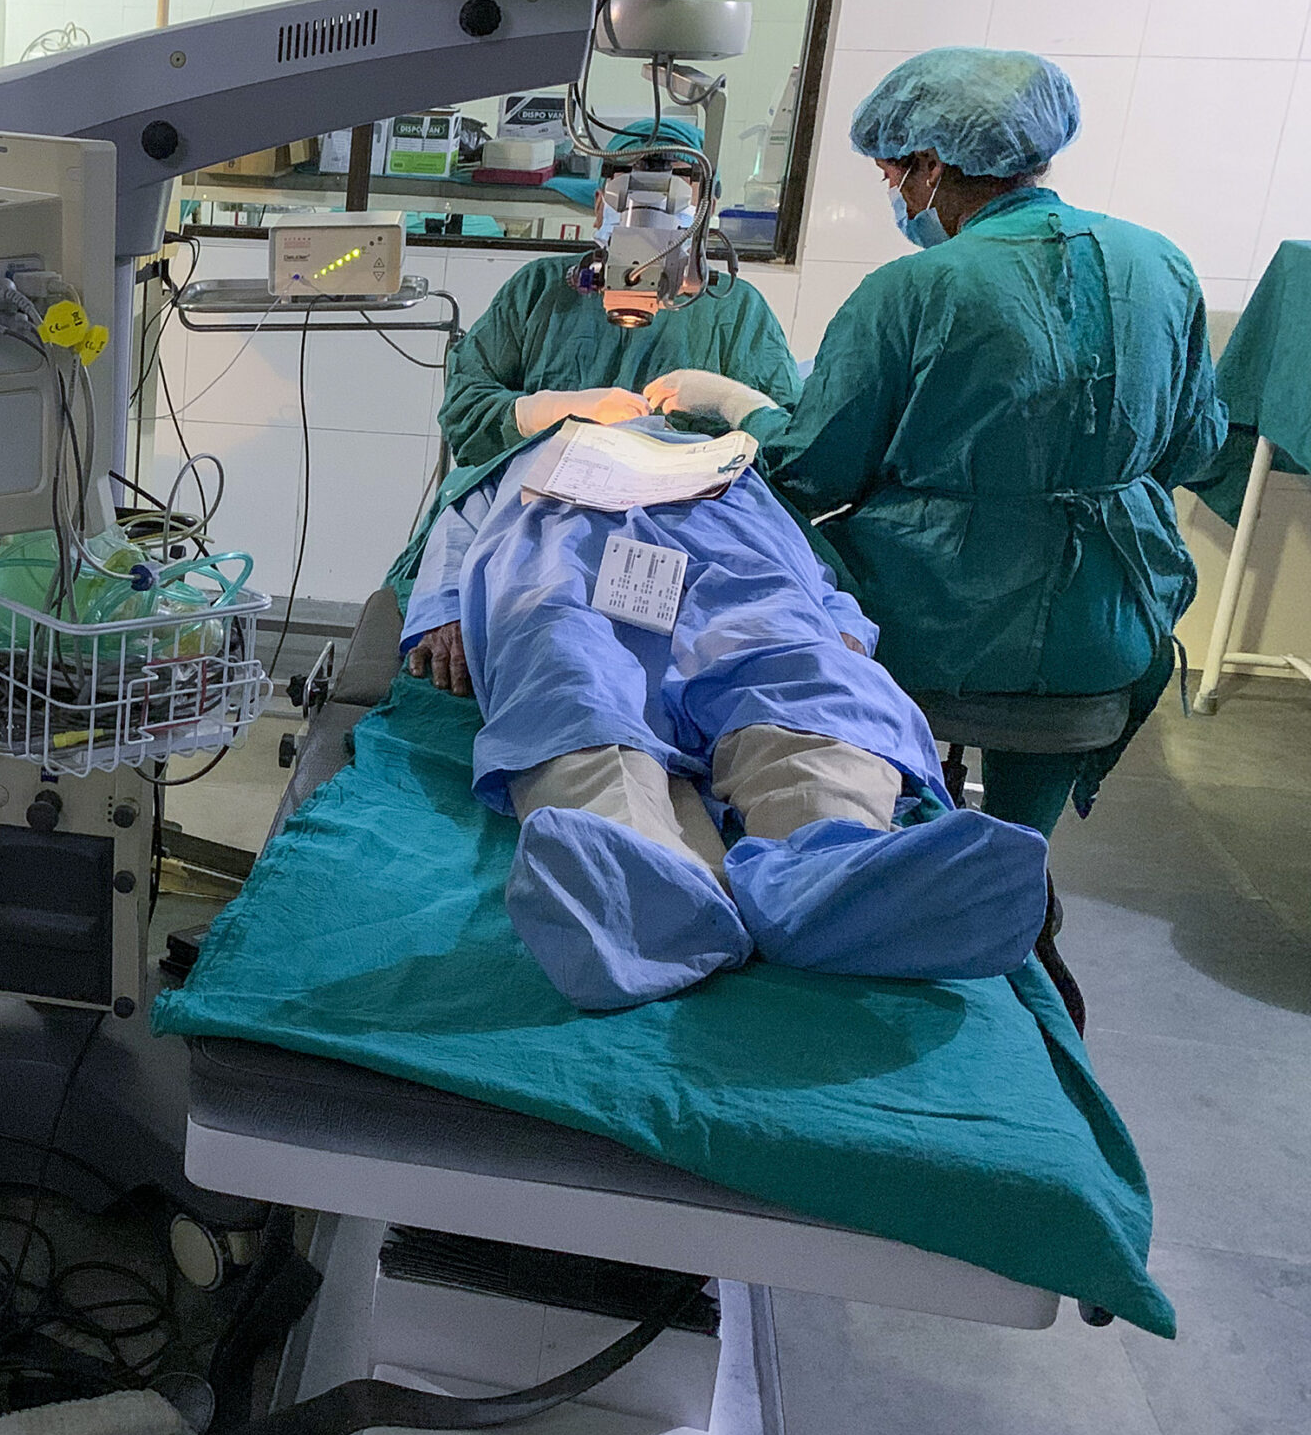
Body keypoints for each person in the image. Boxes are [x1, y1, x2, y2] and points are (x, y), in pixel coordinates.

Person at [648, 48, 1227, 835]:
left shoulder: (914, 289)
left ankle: (888, 842)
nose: (896, 195)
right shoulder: (1160, 265)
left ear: (929, 164)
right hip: (1109, 622)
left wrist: (740, 405)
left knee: (778, 587)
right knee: (1020, 839)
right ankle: (1020, 867)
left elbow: (812, 472)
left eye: (893, 177)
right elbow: (1195, 447)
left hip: (941, 622)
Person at [402, 418, 1048, 1011]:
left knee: (798, 670)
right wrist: (440, 606)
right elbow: (455, 533)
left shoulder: (731, 463)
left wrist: (839, 623)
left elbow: (808, 568)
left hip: (730, 558)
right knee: (568, 674)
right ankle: (641, 876)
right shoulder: (524, 455)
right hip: (564, 554)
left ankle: (828, 867)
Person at [439, 124, 802, 473]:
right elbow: (464, 413)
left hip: (683, 522)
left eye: (670, 189)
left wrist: (732, 401)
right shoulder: (539, 290)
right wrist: (546, 410)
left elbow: (787, 449)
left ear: (705, 213)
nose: (647, 207)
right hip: (539, 509)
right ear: (600, 207)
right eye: (629, 185)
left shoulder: (736, 312)